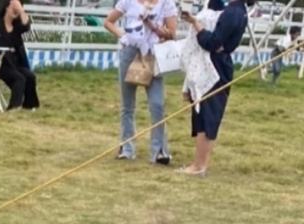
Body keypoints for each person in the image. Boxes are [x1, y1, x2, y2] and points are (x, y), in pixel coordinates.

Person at [177, 0, 251, 177]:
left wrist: (196, 23)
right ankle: (199, 163)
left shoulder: (233, 12)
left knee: (208, 115)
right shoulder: (237, 10)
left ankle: (199, 166)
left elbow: (213, 42)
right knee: (204, 114)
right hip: (220, 63)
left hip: (216, 67)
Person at [104, 0, 179, 164]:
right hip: (130, 51)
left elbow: (172, 33)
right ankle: (127, 148)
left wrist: (152, 25)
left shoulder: (167, 3)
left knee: (157, 104)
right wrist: (122, 35)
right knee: (127, 104)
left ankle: (159, 151)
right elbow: (108, 22)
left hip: (153, 53)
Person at [0, 0, 39, 110]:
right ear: (6, 8)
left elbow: (26, 26)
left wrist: (21, 10)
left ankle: (29, 105)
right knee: (19, 78)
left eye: (17, 8)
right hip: (1, 65)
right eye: (13, 7)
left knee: (30, 76)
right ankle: (14, 107)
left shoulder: (17, 27)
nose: (15, 10)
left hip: (15, 64)